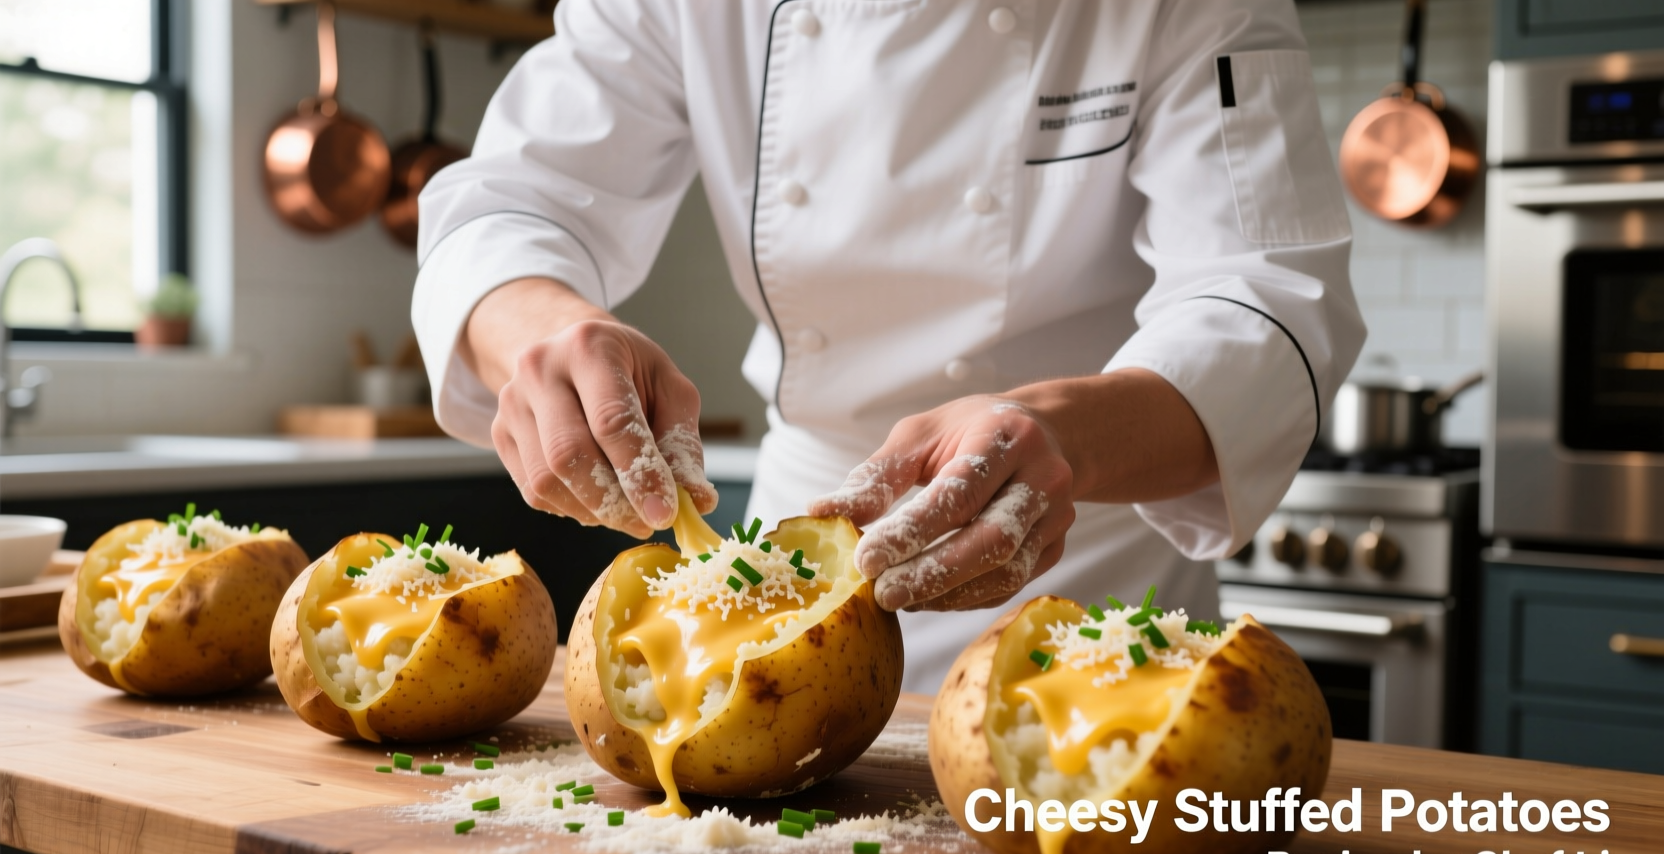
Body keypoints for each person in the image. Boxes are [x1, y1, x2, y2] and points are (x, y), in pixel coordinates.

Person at [412, 0, 1365, 692]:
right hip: (782, 586)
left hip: (1083, 579)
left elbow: (1269, 295)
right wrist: (548, 329)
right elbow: (511, 202)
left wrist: (1056, 435)